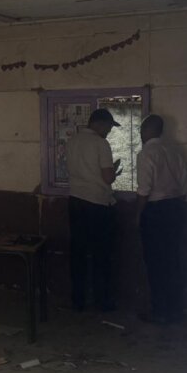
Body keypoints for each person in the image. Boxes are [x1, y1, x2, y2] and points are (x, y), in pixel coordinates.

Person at [64, 108, 121, 311]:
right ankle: (102, 300)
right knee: (101, 254)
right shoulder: (100, 143)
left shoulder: (72, 141)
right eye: (108, 127)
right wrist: (114, 172)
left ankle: (78, 299)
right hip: (97, 204)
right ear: (100, 123)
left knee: (78, 253)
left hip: (75, 201)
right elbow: (107, 178)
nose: (109, 131)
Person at [135, 114, 187, 324]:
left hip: (155, 211)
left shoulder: (147, 154)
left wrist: (138, 215)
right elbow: (185, 184)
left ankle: (160, 311)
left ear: (147, 131)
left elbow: (144, 190)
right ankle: (175, 310)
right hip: (176, 208)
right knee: (173, 259)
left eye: (142, 131)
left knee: (155, 262)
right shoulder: (175, 153)